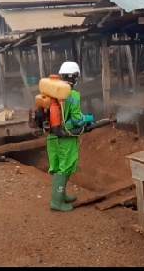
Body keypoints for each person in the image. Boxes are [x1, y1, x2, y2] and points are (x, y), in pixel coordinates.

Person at [47, 61, 94, 212]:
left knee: (59, 166)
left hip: (52, 137)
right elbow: (75, 119)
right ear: (75, 77)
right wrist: (86, 119)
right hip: (65, 137)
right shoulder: (73, 94)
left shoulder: (50, 90)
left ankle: (61, 195)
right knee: (65, 167)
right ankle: (56, 202)